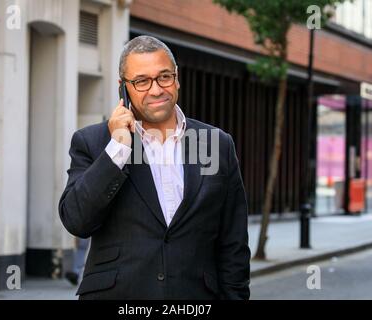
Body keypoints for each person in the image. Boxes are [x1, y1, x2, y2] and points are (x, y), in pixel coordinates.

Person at [58, 35, 250, 300]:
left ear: (177, 78)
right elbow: (76, 220)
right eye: (141, 81)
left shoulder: (216, 144)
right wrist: (119, 148)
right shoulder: (93, 142)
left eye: (164, 77)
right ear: (122, 89)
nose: (156, 89)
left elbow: (233, 244)